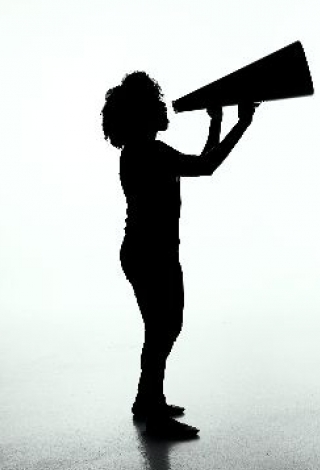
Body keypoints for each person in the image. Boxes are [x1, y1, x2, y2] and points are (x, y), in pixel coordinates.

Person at [101, 71, 257, 439]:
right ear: (143, 116)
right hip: (152, 255)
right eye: (156, 104)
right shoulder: (149, 153)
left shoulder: (139, 152)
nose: (164, 108)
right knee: (163, 329)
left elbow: (202, 162)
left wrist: (218, 122)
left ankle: (146, 400)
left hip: (143, 253)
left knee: (160, 329)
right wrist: (242, 123)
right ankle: (153, 413)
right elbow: (207, 166)